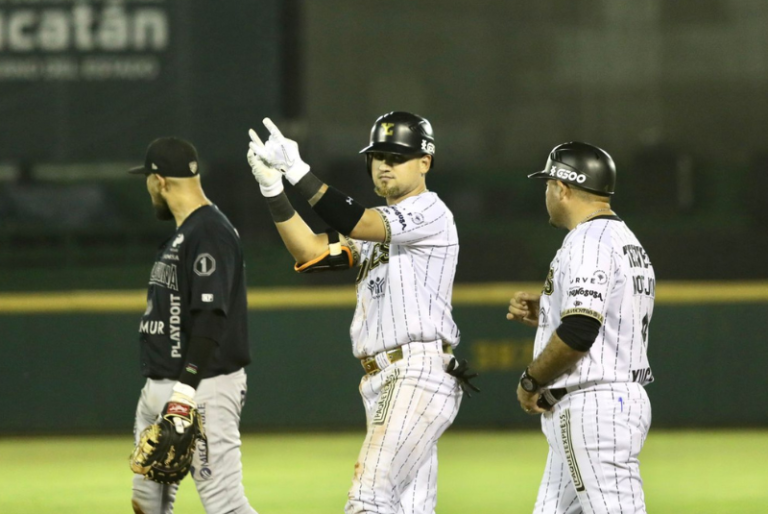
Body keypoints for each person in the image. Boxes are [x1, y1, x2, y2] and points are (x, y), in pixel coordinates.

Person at [246, 112, 478, 514]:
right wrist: (272, 189)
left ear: (425, 161)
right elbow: (311, 251)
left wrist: (299, 171)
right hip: (389, 379)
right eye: (377, 156)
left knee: (367, 498)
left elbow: (358, 220)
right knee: (407, 507)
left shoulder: (429, 212)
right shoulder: (380, 224)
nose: (384, 164)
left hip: (415, 374)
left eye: (397, 156)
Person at [507, 142, 655, 514]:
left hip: (594, 406)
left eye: (547, 184)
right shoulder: (625, 240)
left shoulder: (588, 241)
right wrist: (551, 308)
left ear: (563, 187)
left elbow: (579, 333)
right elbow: (608, 317)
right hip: (608, 400)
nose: (546, 193)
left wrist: (530, 381)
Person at [128, 137, 258, 514]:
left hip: (201, 388)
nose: (148, 188)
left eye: (147, 180)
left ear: (159, 181)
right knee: (147, 504)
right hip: (163, 387)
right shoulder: (185, 234)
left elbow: (210, 317)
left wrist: (184, 390)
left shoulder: (209, 232)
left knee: (226, 506)